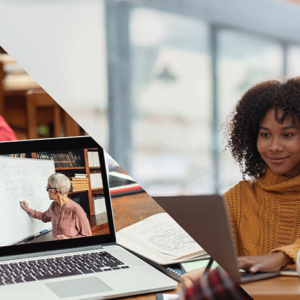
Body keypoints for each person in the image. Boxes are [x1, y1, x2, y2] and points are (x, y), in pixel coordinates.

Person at [181, 77, 300, 298]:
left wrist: (283, 256)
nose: (274, 146)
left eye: (287, 134)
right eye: (265, 135)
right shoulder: (237, 198)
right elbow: (228, 266)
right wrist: (206, 274)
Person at [21, 173, 92, 240]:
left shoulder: (76, 210)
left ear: (57, 192)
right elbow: (44, 217)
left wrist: (69, 239)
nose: (47, 191)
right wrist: (28, 209)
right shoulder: (54, 205)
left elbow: (88, 236)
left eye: (47, 188)